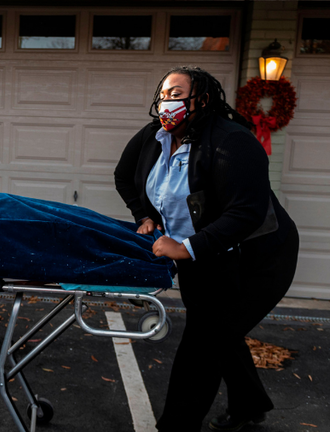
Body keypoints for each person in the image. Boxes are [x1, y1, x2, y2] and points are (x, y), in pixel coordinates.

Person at [114, 66, 300, 432]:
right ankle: (249, 405)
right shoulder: (153, 136)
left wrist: (186, 248)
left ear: (202, 99)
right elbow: (124, 175)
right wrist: (144, 215)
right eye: (163, 94)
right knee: (218, 333)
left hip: (256, 259)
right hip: (200, 258)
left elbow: (245, 212)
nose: (167, 101)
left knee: (204, 342)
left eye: (176, 94)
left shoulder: (233, 142)